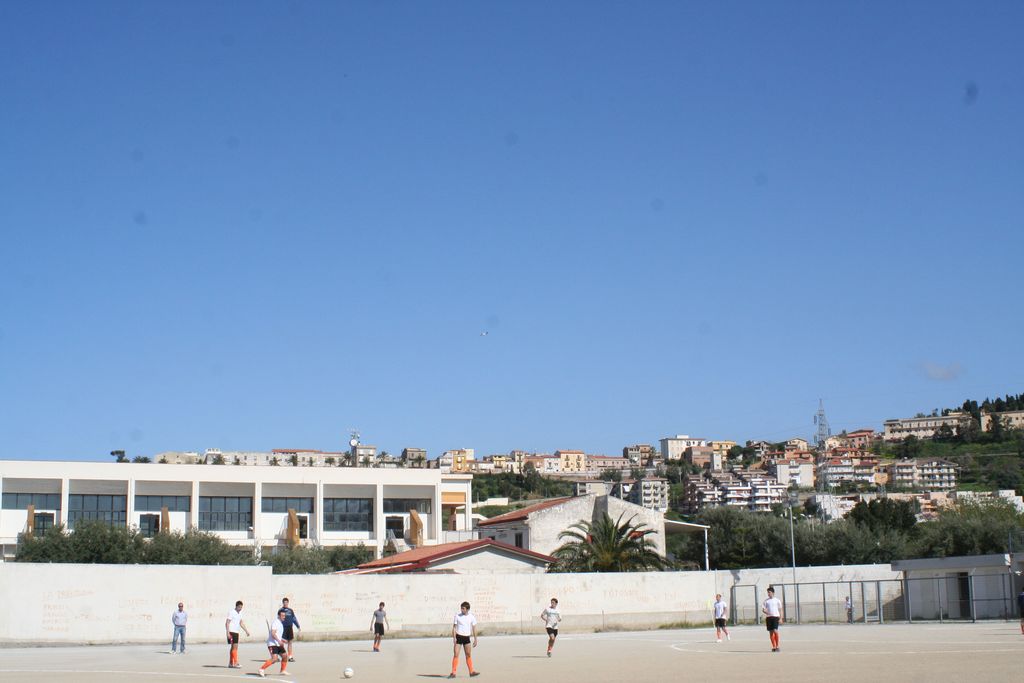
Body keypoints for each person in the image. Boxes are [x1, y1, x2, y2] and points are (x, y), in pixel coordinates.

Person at [449, 601, 480, 678]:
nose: (462, 610)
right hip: (459, 637)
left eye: (463, 608)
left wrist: (475, 639)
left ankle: (471, 672)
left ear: (467, 609)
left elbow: (474, 628)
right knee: (456, 654)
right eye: (461, 608)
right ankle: (453, 672)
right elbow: (454, 627)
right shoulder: (457, 616)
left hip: (467, 638)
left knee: (468, 655)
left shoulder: (471, 617)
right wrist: (454, 638)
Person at [257, 608, 289, 678]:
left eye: (284, 616)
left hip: (278, 643)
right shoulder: (275, 623)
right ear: (279, 616)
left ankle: (282, 670)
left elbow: (277, 635)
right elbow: (273, 633)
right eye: (282, 616)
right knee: (274, 659)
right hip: (272, 644)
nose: (284, 617)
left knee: (285, 656)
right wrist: (279, 641)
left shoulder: (280, 624)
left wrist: (283, 640)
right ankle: (261, 669)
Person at [225, 600, 251, 669]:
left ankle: (231, 663)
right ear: (236, 606)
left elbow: (241, 623)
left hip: (236, 632)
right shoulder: (231, 612)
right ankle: (236, 663)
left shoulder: (240, 613)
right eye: (239, 607)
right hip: (231, 631)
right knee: (235, 647)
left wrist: (246, 631)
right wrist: (227, 632)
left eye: (241, 607)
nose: (240, 608)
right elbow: (227, 622)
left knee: (233, 648)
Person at [761, 586, 784, 652]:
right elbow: (763, 609)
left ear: (773, 593)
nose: (768, 594)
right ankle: (774, 646)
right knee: (771, 632)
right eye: (768, 592)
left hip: (775, 617)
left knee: (775, 630)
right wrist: (765, 611)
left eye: (769, 592)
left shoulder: (777, 600)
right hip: (769, 617)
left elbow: (780, 609)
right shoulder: (766, 601)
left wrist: (781, 618)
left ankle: (777, 646)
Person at [280, 597, 301, 662]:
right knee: (281, 643)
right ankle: (282, 655)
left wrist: (298, 626)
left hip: (290, 628)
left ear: (288, 603)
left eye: (286, 602)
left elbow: (294, 619)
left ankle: (290, 657)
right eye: (284, 602)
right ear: (283, 603)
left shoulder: (290, 610)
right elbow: (278, 619)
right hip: (283, 628)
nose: (285, 603)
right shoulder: (280, 610)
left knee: (290, 642)